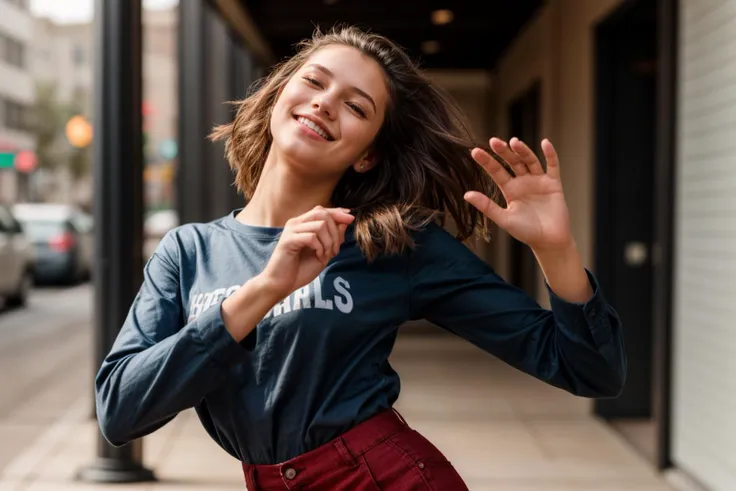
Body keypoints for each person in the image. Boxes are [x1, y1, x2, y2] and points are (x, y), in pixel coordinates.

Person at [95, 25, 626, 490]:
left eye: (356, 106)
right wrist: (262, 290)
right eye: (314, 81)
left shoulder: (392, 244)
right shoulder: (189, 251)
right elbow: (119, 411)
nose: (325, 103)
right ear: (281, 92)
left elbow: (589, 371)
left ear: (368, 152)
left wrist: (555, 251)